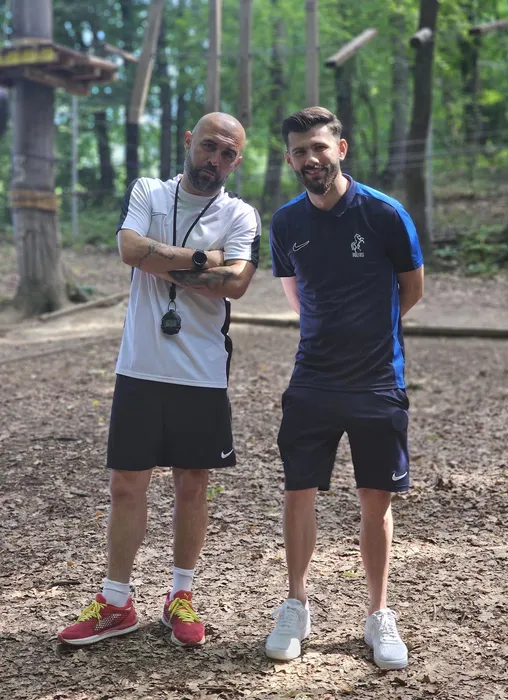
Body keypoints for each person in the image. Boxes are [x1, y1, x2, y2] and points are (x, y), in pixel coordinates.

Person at [58, 112, 260, 648]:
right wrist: (203, 260)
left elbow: (235, 283)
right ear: (189, 141)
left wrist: (161, 257)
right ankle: (116, 601)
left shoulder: (239, 213)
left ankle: (181, 595)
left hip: (202, 370)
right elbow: (129, 250)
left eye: (227, 154)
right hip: (140, 366)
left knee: (192, 484)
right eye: (209, 146)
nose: (215, 160)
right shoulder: (149, 191)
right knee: (126, 485)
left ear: (236, 162)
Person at [265, 107, 423, 670]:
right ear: (290, 160)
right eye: (299, 151)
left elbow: (412, 289)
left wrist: (369, 333)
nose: (311, 158)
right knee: (298, 491)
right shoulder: (285, 224)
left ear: (341, 148)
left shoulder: (385, 214)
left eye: (319, 147)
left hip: (378, 379)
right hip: (312, 378)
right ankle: (296, 605)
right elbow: (297, 298)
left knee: (376, 498)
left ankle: (378, 614)